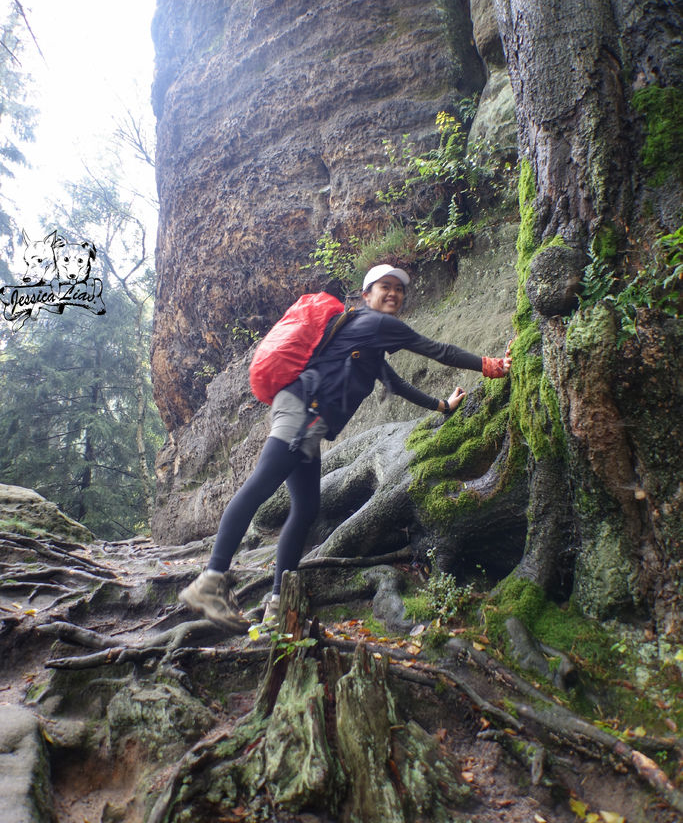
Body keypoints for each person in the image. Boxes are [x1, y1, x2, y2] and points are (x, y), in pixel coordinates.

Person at [179, 264, 513, 630]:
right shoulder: (377, 325)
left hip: (309, 419)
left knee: (306, 509)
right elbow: (439, 350)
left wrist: (442, 406)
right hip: (302, 412)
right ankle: (210, 581)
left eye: (399, 290)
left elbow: (396, 384)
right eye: (384, 287)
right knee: (260, 485)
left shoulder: (366, 342)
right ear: (366, 294)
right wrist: (491, 365)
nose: (393, 294)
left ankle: (279, 604)